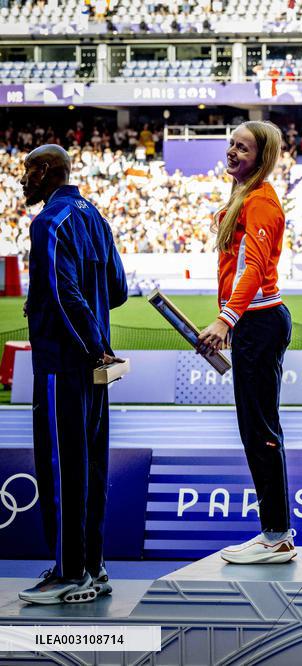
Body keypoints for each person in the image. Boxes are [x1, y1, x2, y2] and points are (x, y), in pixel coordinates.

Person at [18, 144, 128, 605]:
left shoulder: (49, 221)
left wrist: (92, 344)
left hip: (62, 363)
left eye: (28, 171)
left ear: (46, 170)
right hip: (95, 370)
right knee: (91, 466)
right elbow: (119, 290)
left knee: (62, 468)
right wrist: (99, 345)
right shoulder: (96, 217)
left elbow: (63, 293)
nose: (23, 180)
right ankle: (93, 567)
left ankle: (68, 573)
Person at [197, 121, 296, 565]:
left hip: (260, 321)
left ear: (262, 158)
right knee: (255, 429)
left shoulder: (260, 201)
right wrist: (229, 320)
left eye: (244, 148)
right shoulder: (242, 197)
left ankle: (276, 535)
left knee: (260, 430)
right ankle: (275, 533)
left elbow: (253, 268)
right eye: (232, 144)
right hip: (251, 322)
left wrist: (227, 319)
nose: (233, 152)